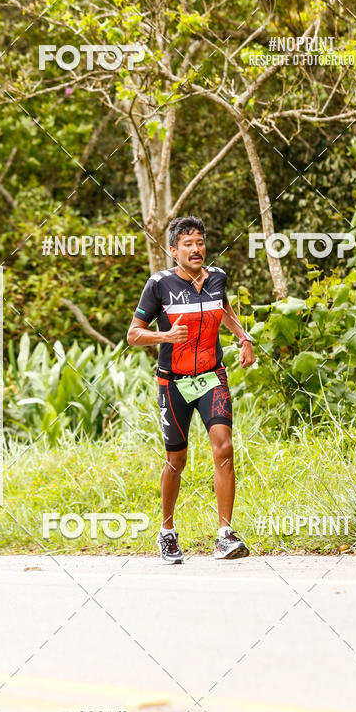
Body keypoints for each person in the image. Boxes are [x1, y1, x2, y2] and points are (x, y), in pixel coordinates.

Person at [127, 215, 256, 564]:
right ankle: (167, 532)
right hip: (174, 382)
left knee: (224, 447)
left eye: (200, 242)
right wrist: (164, 336)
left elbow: (224, 309)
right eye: (188, 244)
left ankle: (225, 535)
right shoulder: (159, 285)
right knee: (176, 460)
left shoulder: (217, 279)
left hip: (212, 376)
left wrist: (244, 337)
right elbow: (133, 334)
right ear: (173, 250)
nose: (196, 249)